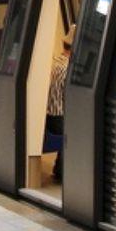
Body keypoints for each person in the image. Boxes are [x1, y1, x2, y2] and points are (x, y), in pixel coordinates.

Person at [46, 35, 72, 183]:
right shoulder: (67, 68)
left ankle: (58, 169)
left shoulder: (56, 62)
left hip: (50, 114)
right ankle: (62, 171)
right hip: (59, 116)